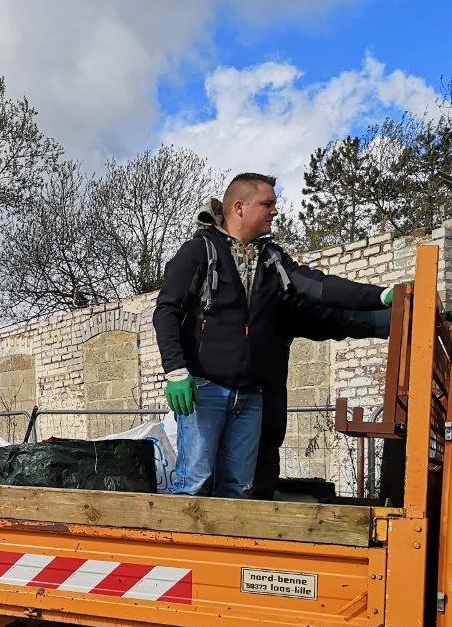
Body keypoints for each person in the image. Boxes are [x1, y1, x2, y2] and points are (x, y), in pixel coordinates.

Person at [153, 173, 392, 497]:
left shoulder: (271, 260)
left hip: (251, 396)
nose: (275, 211)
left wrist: (380, 296)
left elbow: (318, 287)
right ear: (239, 207)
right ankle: (184, 549)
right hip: (205, 388)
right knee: (195, 481)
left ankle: (229, 549)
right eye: (267, 204)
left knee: (238, 487)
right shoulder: (200, 252)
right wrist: (176, 370)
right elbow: (166, 310)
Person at [252, 305, 391, 499]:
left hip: (266, 414)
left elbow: (330, 317)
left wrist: (387, 315)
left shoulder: (275, 299)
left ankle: (260, 491)